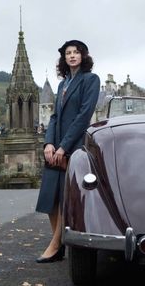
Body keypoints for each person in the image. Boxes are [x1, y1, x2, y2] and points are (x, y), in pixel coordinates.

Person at [35, 40, 100, 263]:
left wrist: (63, 146)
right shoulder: (62, 85)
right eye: (68, 53)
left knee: (65, 198)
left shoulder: (90, 80)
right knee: (50, 198)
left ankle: (55, 245)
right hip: (57, 147)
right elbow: (54, 117)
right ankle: (60, 241)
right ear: (64, 59)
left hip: (74, 147)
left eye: (76, 52)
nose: (72, 56)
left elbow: (83, 116)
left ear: (83, 56)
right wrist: (49, 144)